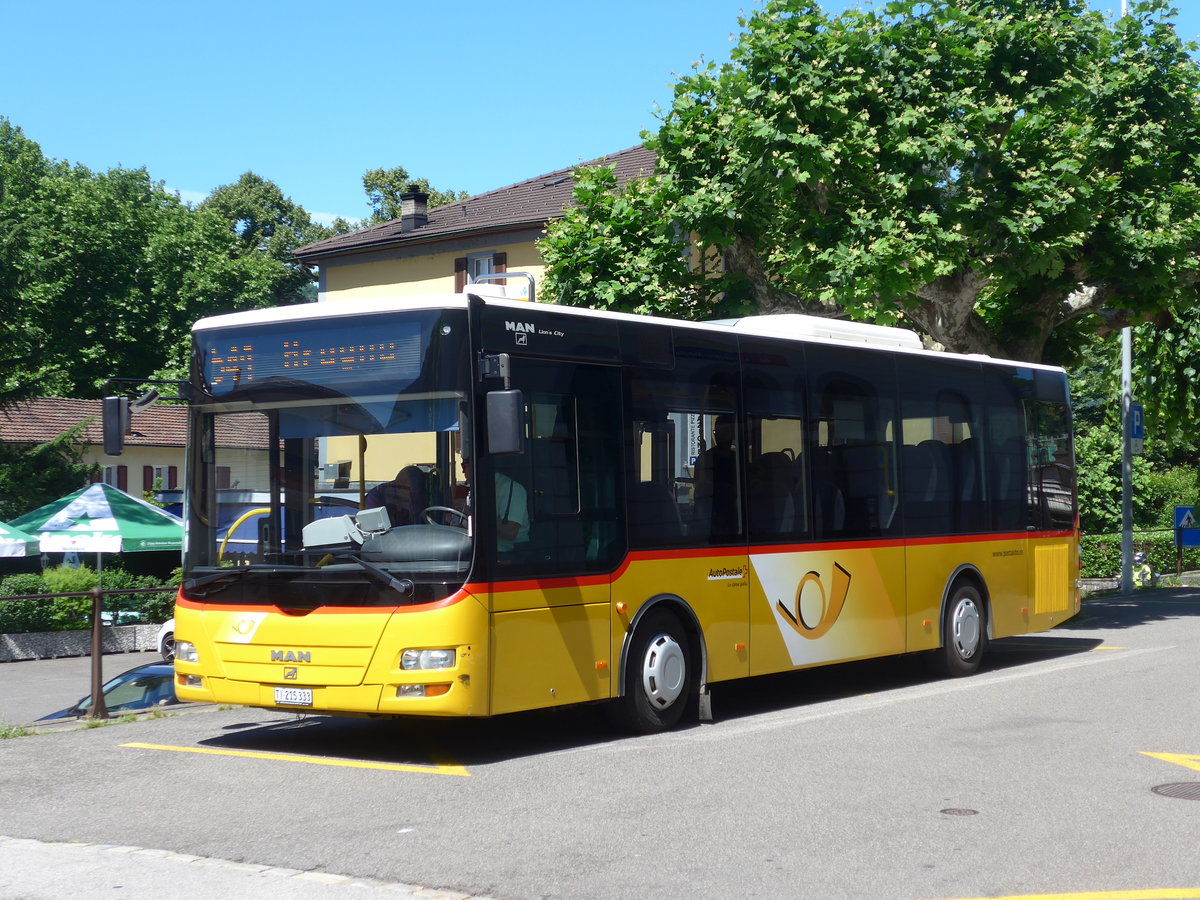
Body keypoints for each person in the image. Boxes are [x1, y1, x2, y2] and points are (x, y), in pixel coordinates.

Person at [461, 459, 529, 552]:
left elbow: (510, 532)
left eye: (464, 466)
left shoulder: (511, 488)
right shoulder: (478, 488)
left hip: (510, 553)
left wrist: (480, 513)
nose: (463, 471)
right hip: (482, 549)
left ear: (476, 466)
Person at [694, 413, 739, 540]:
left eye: (725, 431)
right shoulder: (705, 459)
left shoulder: (738, 460)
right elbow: (700, 488)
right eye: (717, 431)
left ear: (733, 434)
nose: (720, 435)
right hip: (710, 517)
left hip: (733, 516)